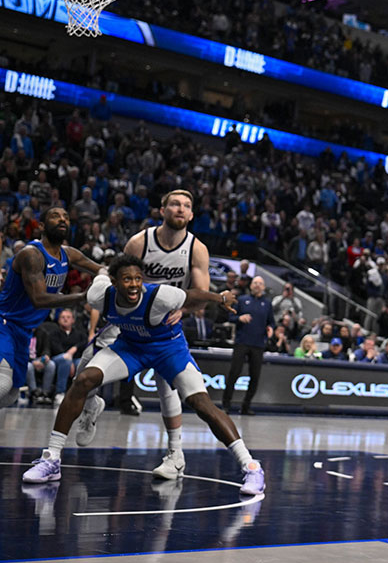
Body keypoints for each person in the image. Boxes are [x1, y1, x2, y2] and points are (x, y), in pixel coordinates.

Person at [21, 255, 265, 495]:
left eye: (138, 278)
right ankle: (51, 459)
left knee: (200, 403)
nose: (135, 284)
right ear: (115, 282)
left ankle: (251, 467)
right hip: (131, 347)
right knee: (84, 379)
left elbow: (192, 295)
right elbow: (98, 273)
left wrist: (219, 297)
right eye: (127, 279)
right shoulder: (100, 294)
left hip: (168, 349)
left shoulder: (159, 295)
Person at [76, 190, 212, 481]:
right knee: (85, 367)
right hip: (129, 316)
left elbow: (201, 296)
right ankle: (91, 405)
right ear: (161, 209)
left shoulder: (196, 249)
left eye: (187, 206)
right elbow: (114, 284)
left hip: (165, 325)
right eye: (174, 203)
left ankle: (175, 455)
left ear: (191, 215)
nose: (180, 209)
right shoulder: (140, 242)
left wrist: (184, 310)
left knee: (168, 388)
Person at [0, 208, 101, 410]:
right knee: (3, 384)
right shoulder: (31, 254)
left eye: (65, 216)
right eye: (55, 216)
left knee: (11, 394)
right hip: (4, 322)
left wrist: (114, 277)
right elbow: (39, 299)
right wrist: (82, 297)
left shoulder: (69, 254)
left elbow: (101, 269)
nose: (62, 219)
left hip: (24, 330)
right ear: (42, 226)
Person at [223, 276, 275, 415]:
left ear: (264, 287)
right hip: (242, 342)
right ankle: (226, 405)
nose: (257, 285)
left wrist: (270, 328)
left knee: (255, 376)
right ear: (251, 285)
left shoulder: (267, 304)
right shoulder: (241, 300)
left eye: (260, 283)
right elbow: (231, 317)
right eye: (255, 283)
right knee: (234, 373)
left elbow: (271, 322)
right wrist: (239, 318)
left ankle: (246, 406)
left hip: (258, 344)